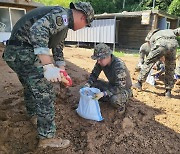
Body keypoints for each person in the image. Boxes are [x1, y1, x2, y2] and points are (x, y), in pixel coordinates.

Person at [2, 1, 94, 148]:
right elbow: (38, 30)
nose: (83, 27)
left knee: (31, 86)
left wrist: (62, 69)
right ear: (83, 17)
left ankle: (34, 116)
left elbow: (58, 48)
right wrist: (47, 66)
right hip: (23, 52)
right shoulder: (62, 15)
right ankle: (47, 138)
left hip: (15, 53)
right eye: (86, 24)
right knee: (46, 92)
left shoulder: (63, 24)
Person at [84, 43, 132, 114]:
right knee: (94, 85)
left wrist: (104, 93)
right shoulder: (101, 62)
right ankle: (104, 98)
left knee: (114, 100)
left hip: (123, 89)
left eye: (100, 59)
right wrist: (87, 85)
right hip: (112, 85)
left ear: (107, 56)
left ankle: (121, 104)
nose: (98, 62)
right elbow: (94, 75)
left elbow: (120, 87)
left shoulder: (118, 65)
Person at [133, 28, 180, 98]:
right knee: (170, 68)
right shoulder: (171, 31)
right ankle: (168, 92)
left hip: (161, 44)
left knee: (148, 62)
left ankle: (139, 83)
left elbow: (153, 55)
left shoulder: (153, 37)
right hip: (173, 45)